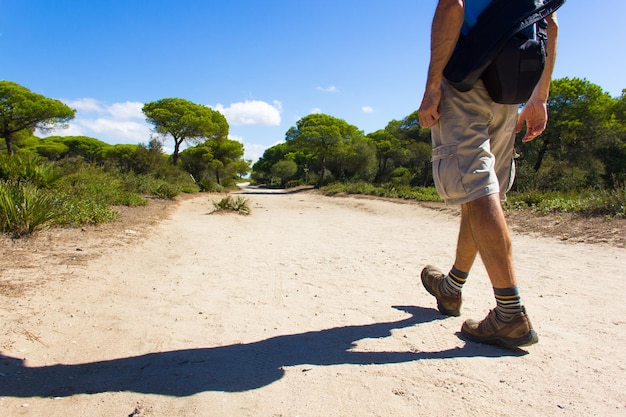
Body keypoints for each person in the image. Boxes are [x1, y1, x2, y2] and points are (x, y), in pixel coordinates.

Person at [417, 0, 559, 348]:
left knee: (477, 190)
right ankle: (451, 288)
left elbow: (453, 5)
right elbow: (549, 23)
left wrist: (433, 85)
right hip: (511, 82)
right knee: (481, 189)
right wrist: (540, 96)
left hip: (468, 76)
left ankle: (510, 313)